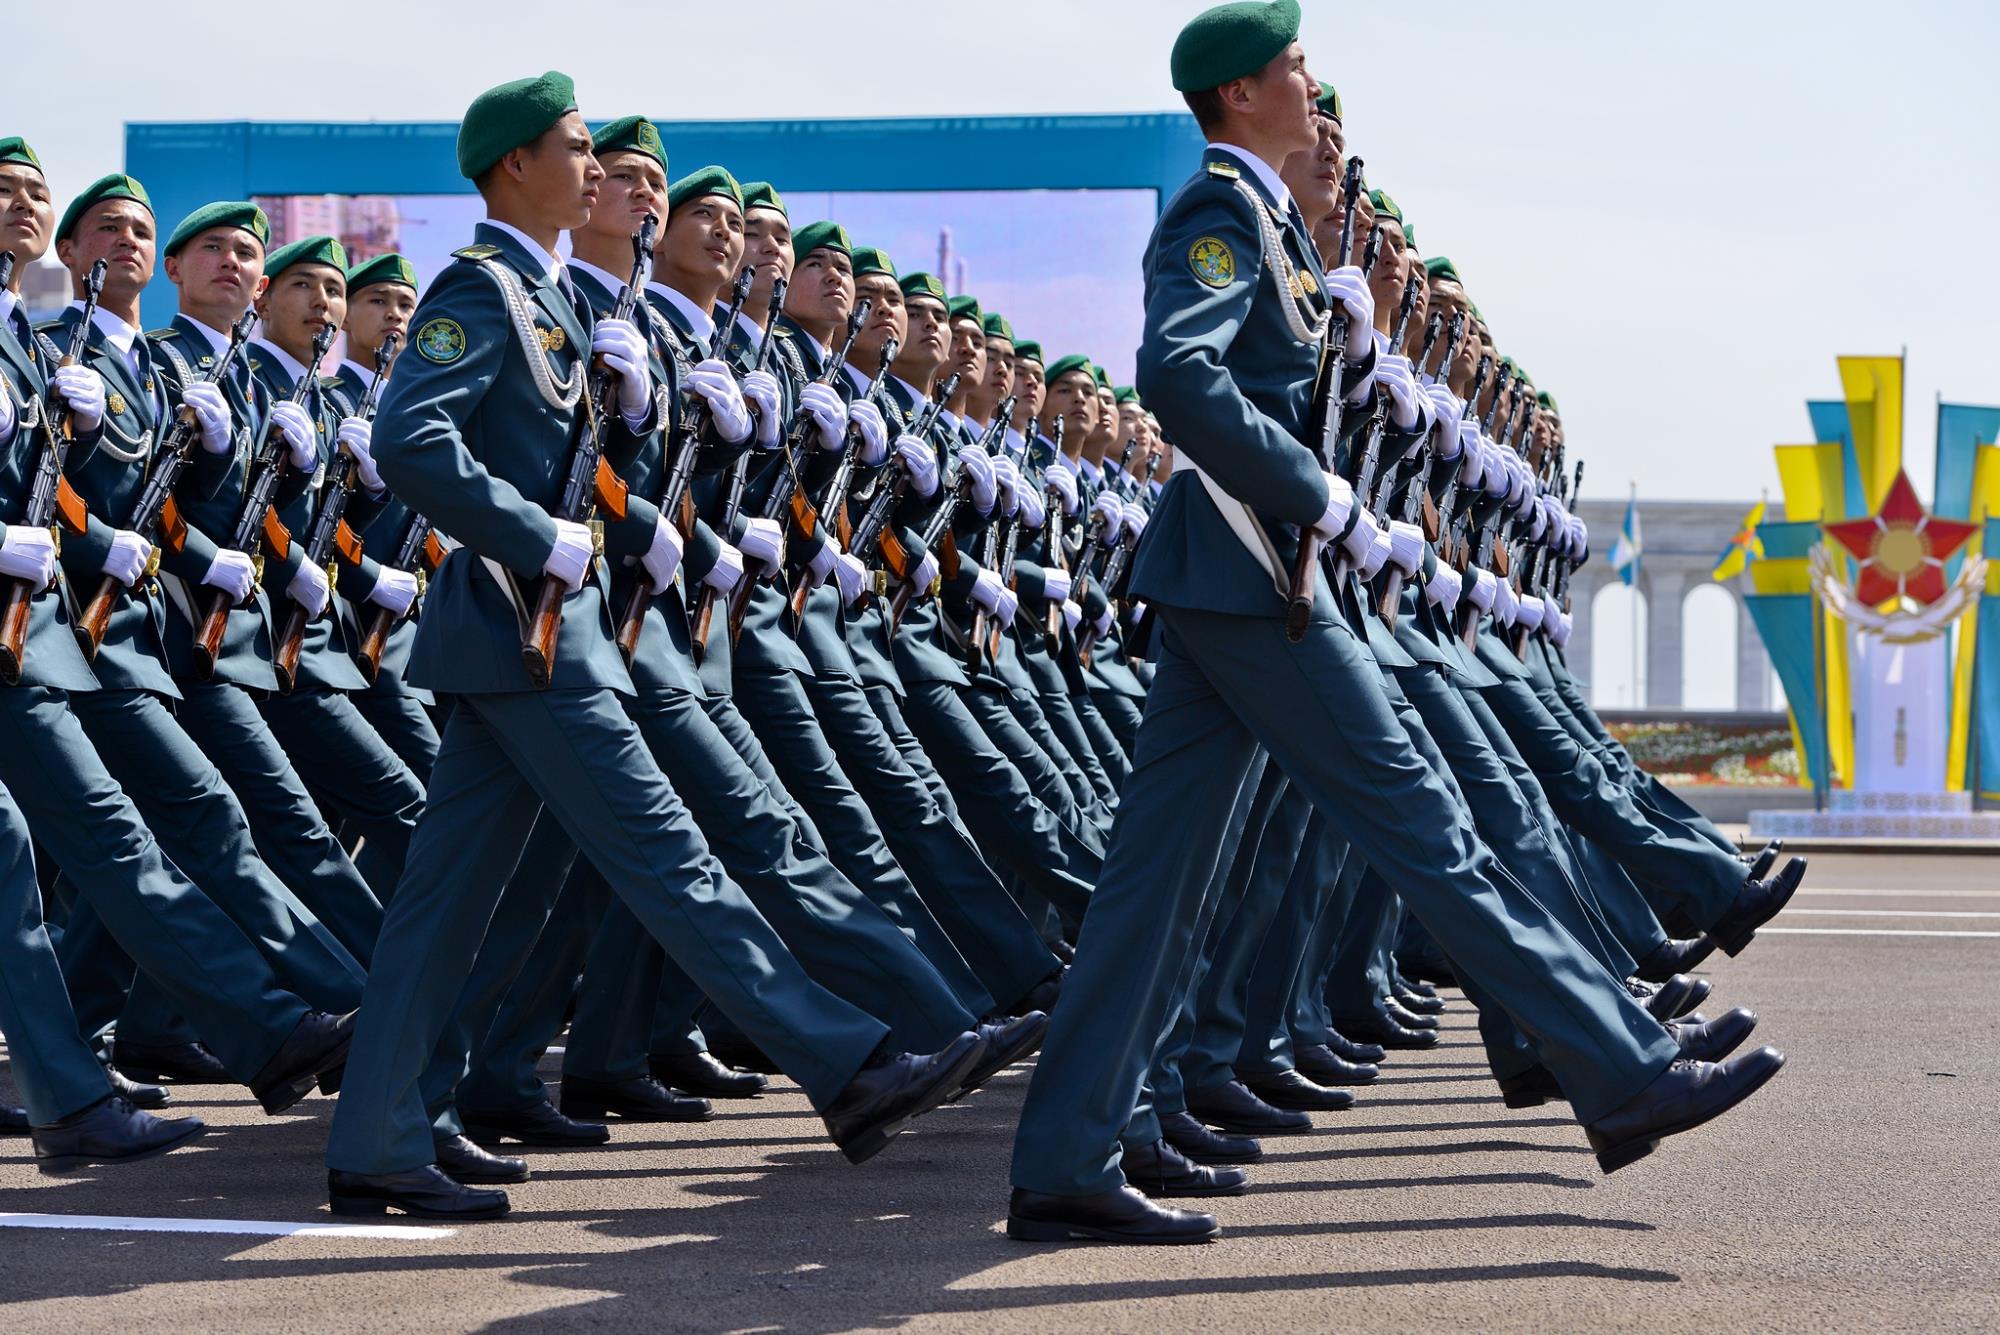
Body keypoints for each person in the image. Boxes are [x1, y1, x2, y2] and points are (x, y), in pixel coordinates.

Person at [1006, 0, 1789, 1246]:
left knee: (1153, 888)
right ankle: (1620, 1066)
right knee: (1429, 829)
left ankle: (1064, 1155)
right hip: (1257, 578)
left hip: (1239, 582)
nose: (1313, 90)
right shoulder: (1218, 216)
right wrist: (1318, 495)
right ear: (1243, 93)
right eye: (1297, 71)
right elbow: (1177, 376)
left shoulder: (1269, 229)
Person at [324, 73, 983, 1221]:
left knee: (450, 909)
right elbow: (410, 440)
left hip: (535, 640)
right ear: (514, 165)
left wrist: (632, 472)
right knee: (670, 859)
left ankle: (389, 1131)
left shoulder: (558, 304)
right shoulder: (477, 290)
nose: (596, 170)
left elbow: (563, 463)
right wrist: (540, 537)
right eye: (578, 150)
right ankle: (849, 1064)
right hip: (525, 635)